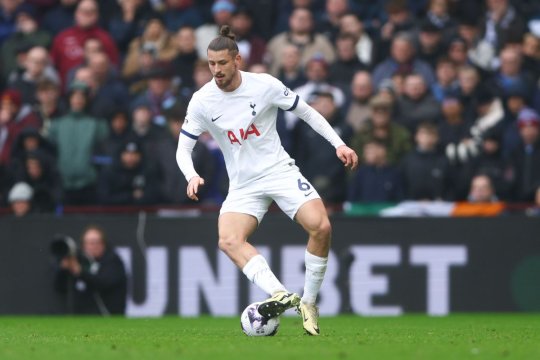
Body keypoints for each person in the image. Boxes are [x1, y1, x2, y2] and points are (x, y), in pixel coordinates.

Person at [176, 26, 358, 336]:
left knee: (321, 227)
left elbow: (308, 113)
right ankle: (279, 294)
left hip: (279, 171)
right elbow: (183, 148)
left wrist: (338, 144)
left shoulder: (265, 86)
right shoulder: (202, 101)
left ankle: (309, 303)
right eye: (211, 64)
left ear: (238, 60)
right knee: (228, 241)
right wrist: (191, 175)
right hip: (244, 184)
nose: (216, 70)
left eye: (222, 63)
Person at [54, 224, 127, 315]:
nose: (93, 246)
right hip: (82, 315)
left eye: (96, 242)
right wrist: (64, 270)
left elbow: (103, 282)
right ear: (83, 245)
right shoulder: (80, 260)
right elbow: (60, 287)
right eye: (90, 243)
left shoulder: (113, 261)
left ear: (103, 244)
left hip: (108, 314)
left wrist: (80, 272)